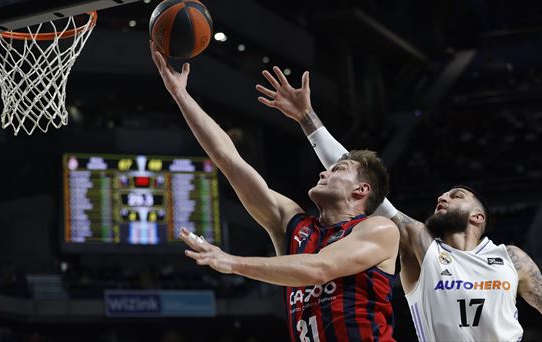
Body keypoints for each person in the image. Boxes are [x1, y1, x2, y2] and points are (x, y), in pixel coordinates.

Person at [256, 66, 542, 342]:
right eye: (441, 195)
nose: (442, 198)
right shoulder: (421, 244)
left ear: (478, 216)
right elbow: (351, 171)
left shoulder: (512, 258)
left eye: (456, 196)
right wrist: (307, 119)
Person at [150, 43, 401, 341]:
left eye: (338, 169)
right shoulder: (292, 224)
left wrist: (232, 262)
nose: (324, 171)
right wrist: (181, 95)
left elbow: (320, 268)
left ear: (362, 190)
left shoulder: (380, 230)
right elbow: (228, 159)